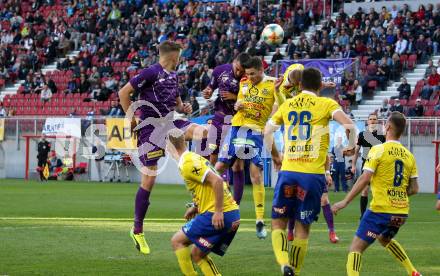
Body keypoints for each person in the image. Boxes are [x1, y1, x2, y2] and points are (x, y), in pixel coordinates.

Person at [118, 41, 207, 255]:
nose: (180, 61)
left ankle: (200, 200)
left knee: (204, 133)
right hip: (151, 129)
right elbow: (123, 93)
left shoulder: (174, 76)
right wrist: (130, 118)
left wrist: (183, 106)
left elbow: (176, 103)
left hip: (170, 122)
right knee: (149, 179)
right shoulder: (150, 72)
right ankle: (137, 230)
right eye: (179, 57)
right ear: (173, 57)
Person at [265, 67, 356, 275]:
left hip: (289, 171)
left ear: (299, 85)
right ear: (319, 85)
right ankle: (293, 270)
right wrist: (350, 147)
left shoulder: (287, 105)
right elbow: (349, 125)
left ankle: (283, 264)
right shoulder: (326, 103)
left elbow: (267, 131)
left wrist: (276, 156)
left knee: (278, 222)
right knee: (302, 227)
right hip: (313, 176)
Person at [332, 112, 421, 276]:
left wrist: (344, 202)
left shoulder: (378, 150)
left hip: (380, 210)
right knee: (384, 238)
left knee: (355, 249)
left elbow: (364, 178)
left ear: (387, 127)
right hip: (401, 212)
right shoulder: (409, 155)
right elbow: (415, 188)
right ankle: (413, 272)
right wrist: (398, 196)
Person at [215, 56, 283, 239]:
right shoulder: (244, 82)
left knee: (255, 175)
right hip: (237, 127)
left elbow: (279, 107)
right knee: (218, 167)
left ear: (261, 70)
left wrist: (273, 120)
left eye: (253, 73)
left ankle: (260, 220)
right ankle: (202, 203)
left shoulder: (272, 84)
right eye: (247, 74)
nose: (249, 77)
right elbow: (239, 101)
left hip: (255, 130)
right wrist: (237, 104)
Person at [167, 129, 240, 276]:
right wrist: (195, 206)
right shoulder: (192, 157)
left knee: (177, 241)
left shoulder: (188, 164)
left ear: (169, 146)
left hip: (219, 213)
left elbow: (218, 181)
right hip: (232, 213)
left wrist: (218, 211)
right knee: (198, 254)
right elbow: (206, 185)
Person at [201, 53, 249, 209]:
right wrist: (207, 91)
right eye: (237, 69)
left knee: (237, 165)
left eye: (242, 71)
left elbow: (252, 102)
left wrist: (234, 96)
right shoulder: (220, 71)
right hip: (219, 118)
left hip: (239, 123)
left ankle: (235, 204)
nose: (238, 73)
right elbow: (211, 87)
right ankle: (208, 199)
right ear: (233, 62)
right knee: (213, 159)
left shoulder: (249, 78)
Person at [351, 113, 386, 219]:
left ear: (377, 121)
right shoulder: (362, 134)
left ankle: (380, 213)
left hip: (380, 166)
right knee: (365, 190)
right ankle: (362, 215)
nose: (372, 121)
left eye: (374, 119)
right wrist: (353, 165)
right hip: (366, 165)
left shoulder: (382, 135)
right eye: (370, 119)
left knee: (379, 190)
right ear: (367, 121)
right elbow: (356, 151)